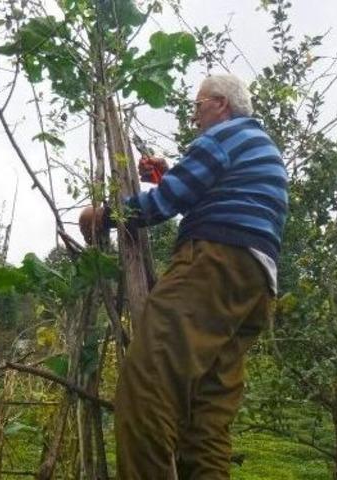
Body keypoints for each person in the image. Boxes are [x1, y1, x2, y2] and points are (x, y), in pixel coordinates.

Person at [79, 74, 288, 480]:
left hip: (213, 265)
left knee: (147, 389)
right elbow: (208, 191)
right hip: (254, 286)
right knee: (206, 420)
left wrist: (102, 217)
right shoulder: (257, 145)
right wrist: (170, 173)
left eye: (197, 105)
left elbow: (166, 203)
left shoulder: (222, 138)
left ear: (221, 103)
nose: (194, 117)